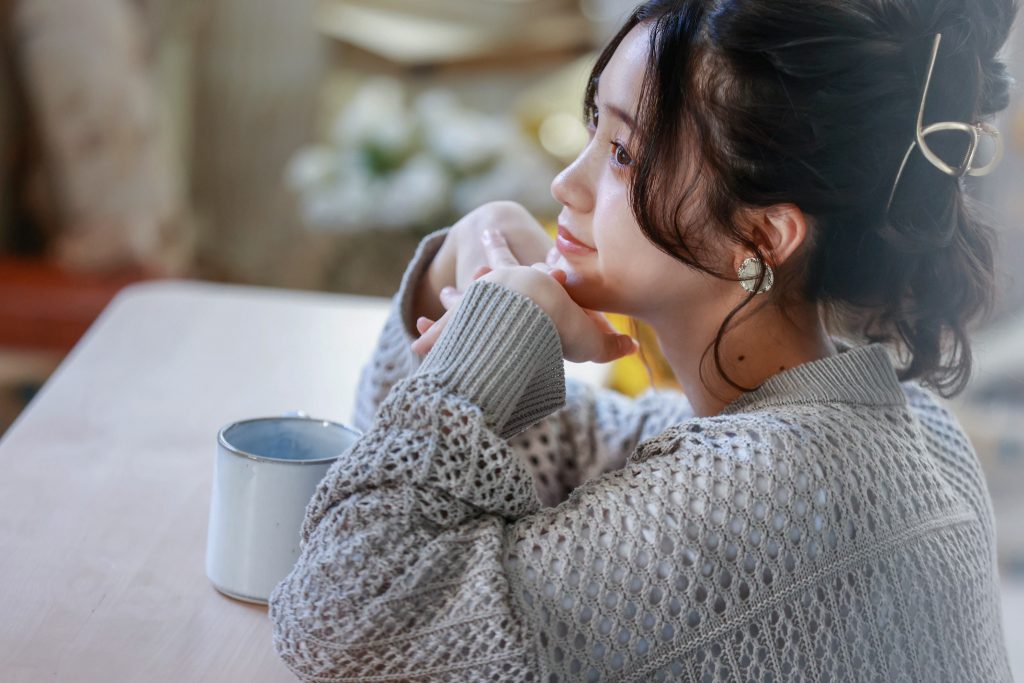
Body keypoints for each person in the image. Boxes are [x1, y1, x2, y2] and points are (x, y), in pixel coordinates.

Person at [269, 0, 1017, 679]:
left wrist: (484, 353)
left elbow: (344, 615)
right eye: (595, 126)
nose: (568, 181)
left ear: (760, 235)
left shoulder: (768, 494)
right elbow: (559, 461)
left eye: (624, 154)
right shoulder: (897, 425)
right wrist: (462, 256)